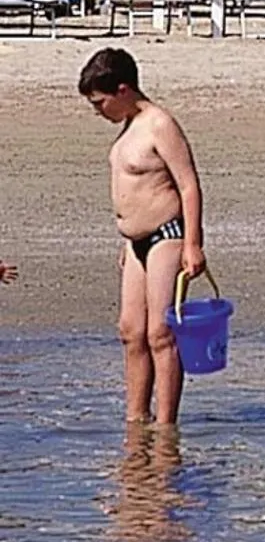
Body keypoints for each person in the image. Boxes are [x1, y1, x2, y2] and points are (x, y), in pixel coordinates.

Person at [78, 47, 207, 425]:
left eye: (100, 103)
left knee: (160, 333)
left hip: (167, 236)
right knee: (131, 330)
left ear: (123, 90)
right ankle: (136, 419)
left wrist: (193, 244)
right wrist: (126, 238)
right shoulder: (129, 127)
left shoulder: (159, 124)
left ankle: (166, 427)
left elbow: (188, 185)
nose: (98, 111)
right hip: (135, 244)